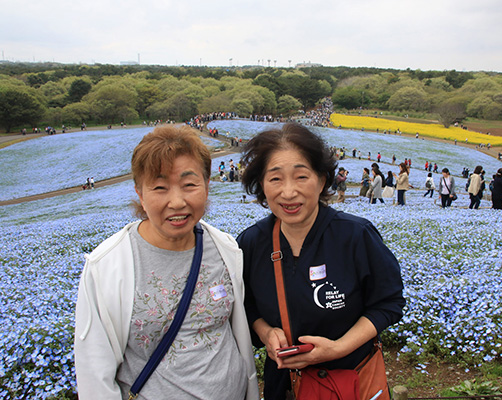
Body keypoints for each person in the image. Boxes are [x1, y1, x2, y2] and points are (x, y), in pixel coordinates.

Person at [74, 126, 259, 400]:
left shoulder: (226, 248)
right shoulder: (106, 265)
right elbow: (94, 373)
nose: (177, 201)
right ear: (140, 193)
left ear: (207, 187)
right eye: (160, 188)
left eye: (189, 185)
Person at [236, 123, 405, 399]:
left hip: (350, 379)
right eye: (275, 179)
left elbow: (388, 303)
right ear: (261, 185)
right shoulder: (252, 243)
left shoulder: (355, 236)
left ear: (322, 179)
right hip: (285, 385)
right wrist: (266, 333)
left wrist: (338, 348)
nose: (288, 192)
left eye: (301, 177)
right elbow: (247, 304)